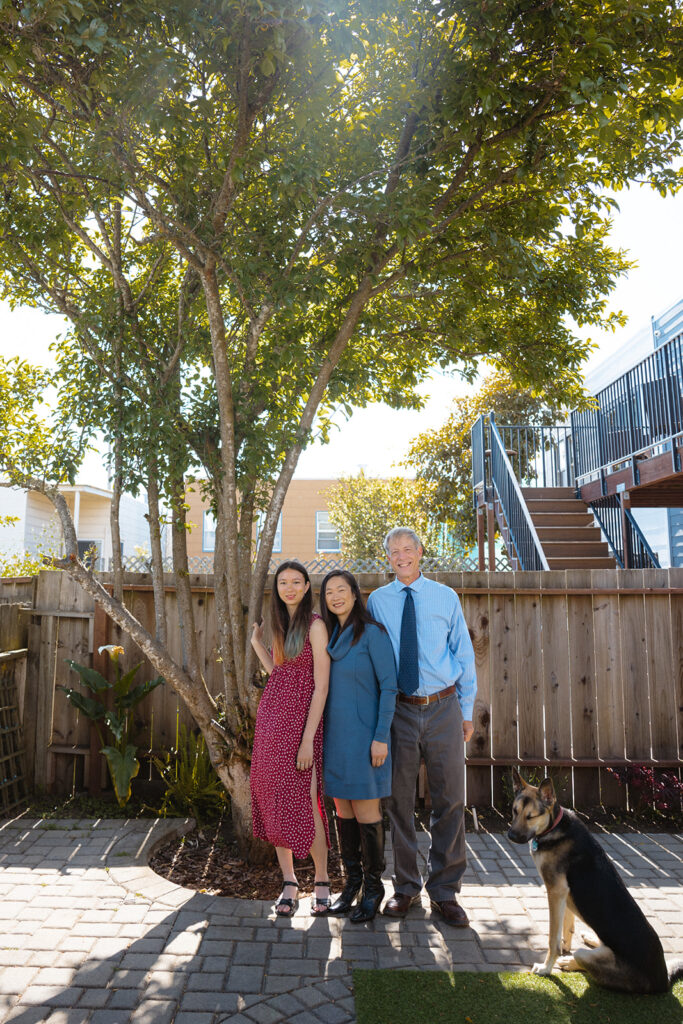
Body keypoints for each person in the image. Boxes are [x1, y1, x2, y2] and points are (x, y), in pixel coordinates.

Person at [367, 527, 477, 927]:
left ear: (420, 552)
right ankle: (407, 888)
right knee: (398, 801)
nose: (401, 556)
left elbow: (463, 654)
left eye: (407, 549)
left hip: (444, 706)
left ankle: (446, 893)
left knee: (450, 800)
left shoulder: (445, 597)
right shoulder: (378, 602)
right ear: (389, 558)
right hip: (399, 710)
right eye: (394, 551)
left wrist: (466, 711)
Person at [250, 560, 331, 917]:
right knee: (273, 799)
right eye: (283, 582)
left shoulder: (315, 625)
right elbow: (278, 674)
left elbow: (321, 686)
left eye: (296, 582)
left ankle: (323, 879)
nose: (290, 588)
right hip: (271, 721)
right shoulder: (281, 625)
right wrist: (257, 643)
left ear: (306, 586)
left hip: (302, 724)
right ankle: (289, 881)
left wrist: (306, 740)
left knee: (306, 800)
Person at [320, 570, 397, 923]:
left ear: (354, 594)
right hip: (335, 741)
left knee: (368, 817)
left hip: (367, 741)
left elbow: (389, 688)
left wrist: (381, 736)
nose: (335, 596)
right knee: (343, 815)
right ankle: (350, 884)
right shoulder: (328, 636)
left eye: (341, 590)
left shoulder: (372, 634)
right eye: (329, 591)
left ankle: (373, 888)